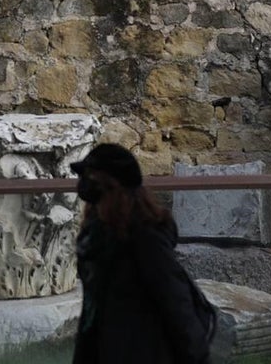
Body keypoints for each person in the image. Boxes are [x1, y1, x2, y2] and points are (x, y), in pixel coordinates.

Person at [71, 143, 214, 364]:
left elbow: (176, 302)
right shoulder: (97, 236)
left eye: (94, 181)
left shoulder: (145, 239)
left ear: (114, 188)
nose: (86, 188)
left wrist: (197, 356)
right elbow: (93, 312)